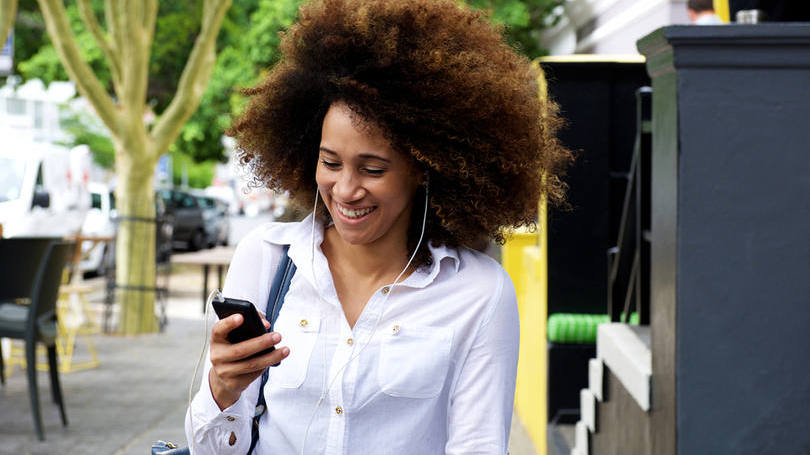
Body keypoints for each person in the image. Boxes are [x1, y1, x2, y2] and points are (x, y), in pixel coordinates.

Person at [185, 0, 570, 453]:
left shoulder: (479, 293)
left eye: (372, 169)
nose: (346, 190)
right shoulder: (266, 259)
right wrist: (222, 389)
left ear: (424, 169)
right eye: (330, 163)